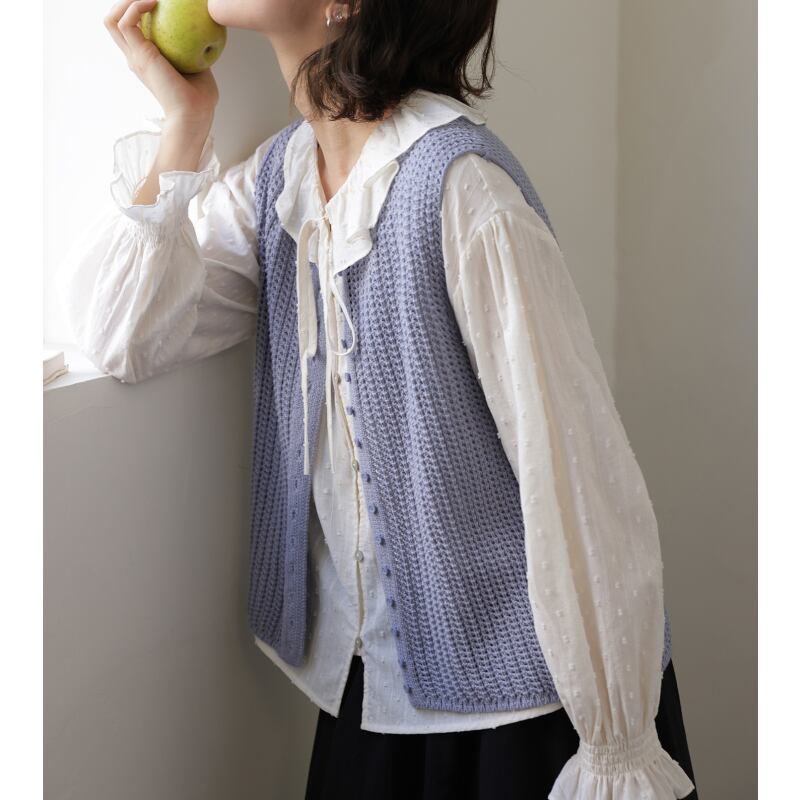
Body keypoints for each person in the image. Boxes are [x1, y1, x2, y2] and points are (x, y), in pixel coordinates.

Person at [56, 2, 700, 798]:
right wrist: (184, 123)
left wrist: (616, 745)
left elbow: (579, 480)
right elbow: (121, 331)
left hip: (530, 711)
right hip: (374, 695)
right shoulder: (285, 177)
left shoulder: (462, 190)